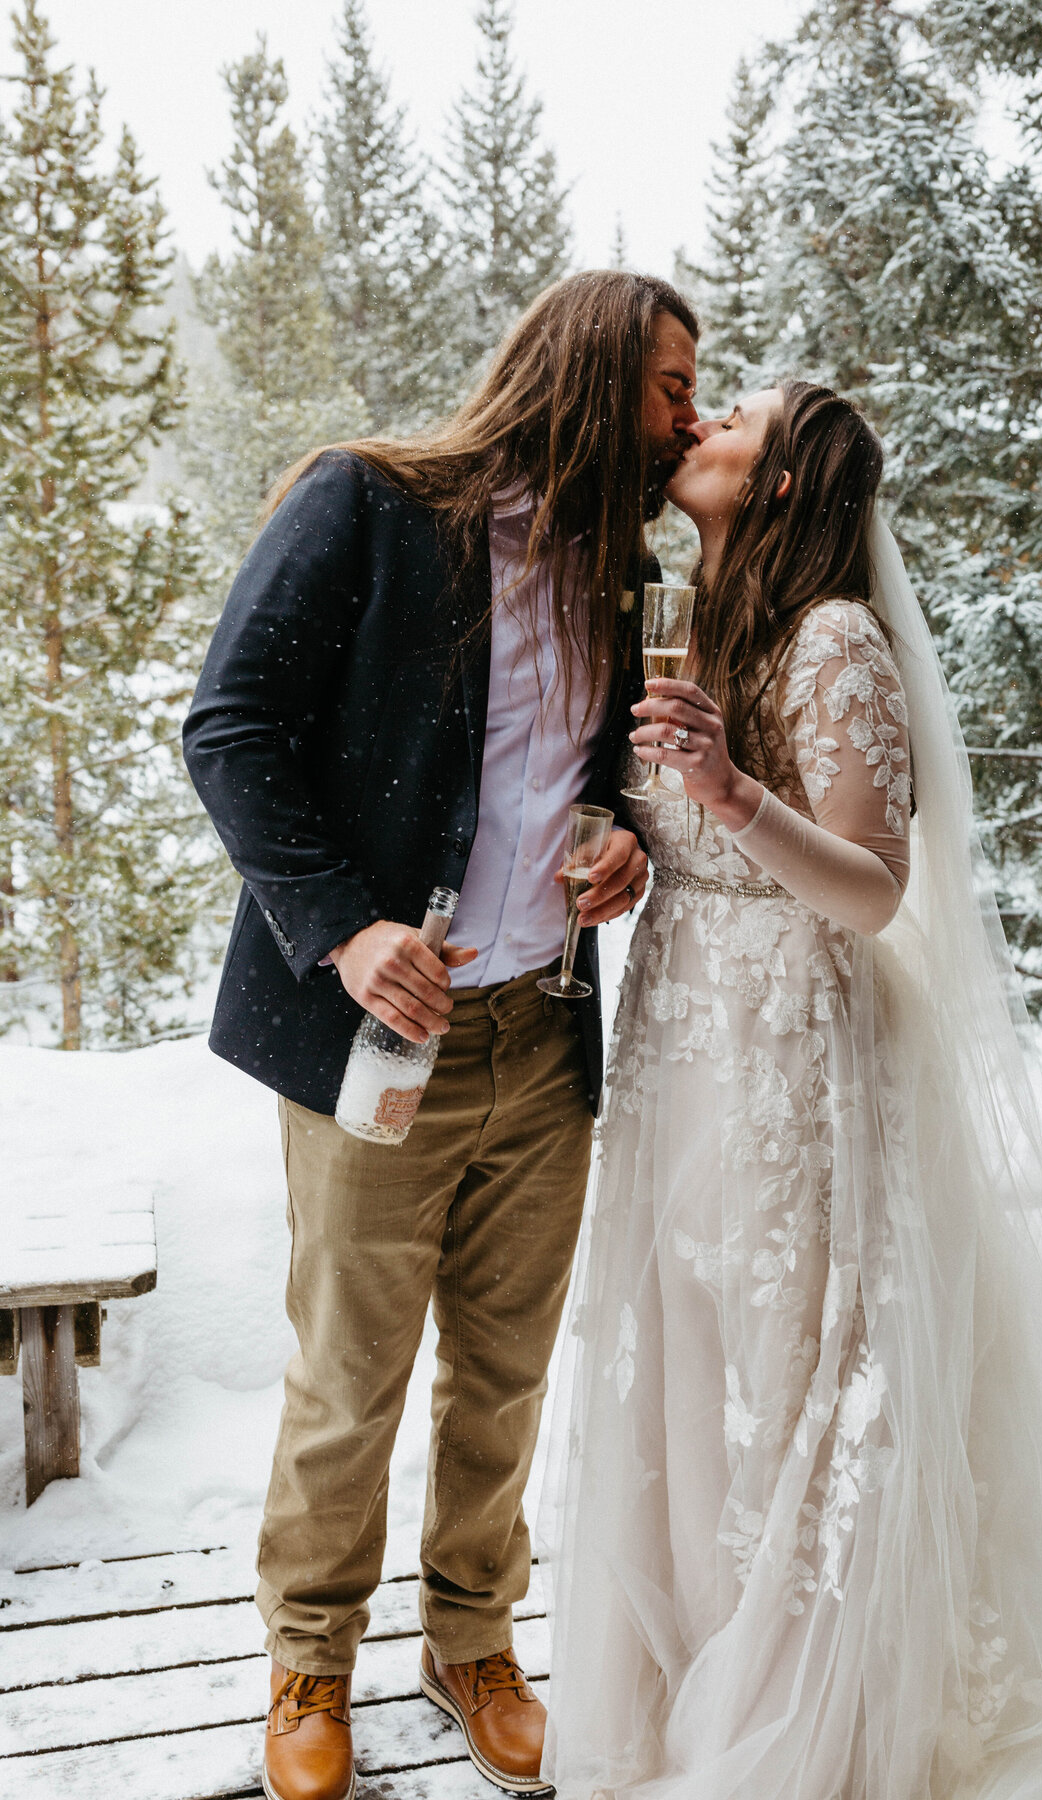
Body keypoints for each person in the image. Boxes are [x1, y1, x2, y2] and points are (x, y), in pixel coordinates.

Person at [540, 380, 1042, 1797]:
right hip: (680, 1028)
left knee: (789, 1369)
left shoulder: (834, 637)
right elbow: (680, 829)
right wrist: (628, 852)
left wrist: (728, 799)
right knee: (690, 1351)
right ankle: (708, 1672)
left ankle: (806, 1713)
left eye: (731, 422)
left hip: (792, 1045)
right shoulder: (689, 619)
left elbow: (874, 884)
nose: (697, 426)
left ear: (778, 487)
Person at [182, 270, 700, 1800]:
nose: (688, 416)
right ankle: (308, 1664)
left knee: (507, 1372)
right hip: (377, 1042)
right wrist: (343, 928)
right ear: (599, 377)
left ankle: (472, 1643)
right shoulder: (367, 503)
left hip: (544, 1037)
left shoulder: (623, 570)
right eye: (674, 384)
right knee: (352, 1375)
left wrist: (623, 842)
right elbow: (230, 726)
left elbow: (591, 772)